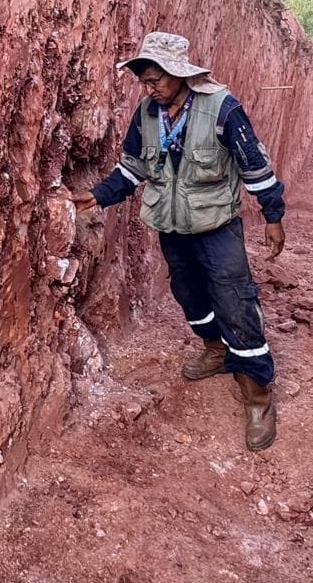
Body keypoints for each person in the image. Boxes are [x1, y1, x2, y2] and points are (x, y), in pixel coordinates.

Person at [71, 32, 285, 452]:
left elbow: (255, 165)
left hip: (217, 226)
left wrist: (273, 217)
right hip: (172, 226)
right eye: (145, 82)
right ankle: (215, 349)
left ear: (178, 75)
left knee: (235, 301)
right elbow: (132, 168)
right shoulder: (148, 113)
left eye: (156, 80)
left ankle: (258, 394)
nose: (149, 89)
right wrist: (98, 195)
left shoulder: (223, 108)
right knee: (188, 292)